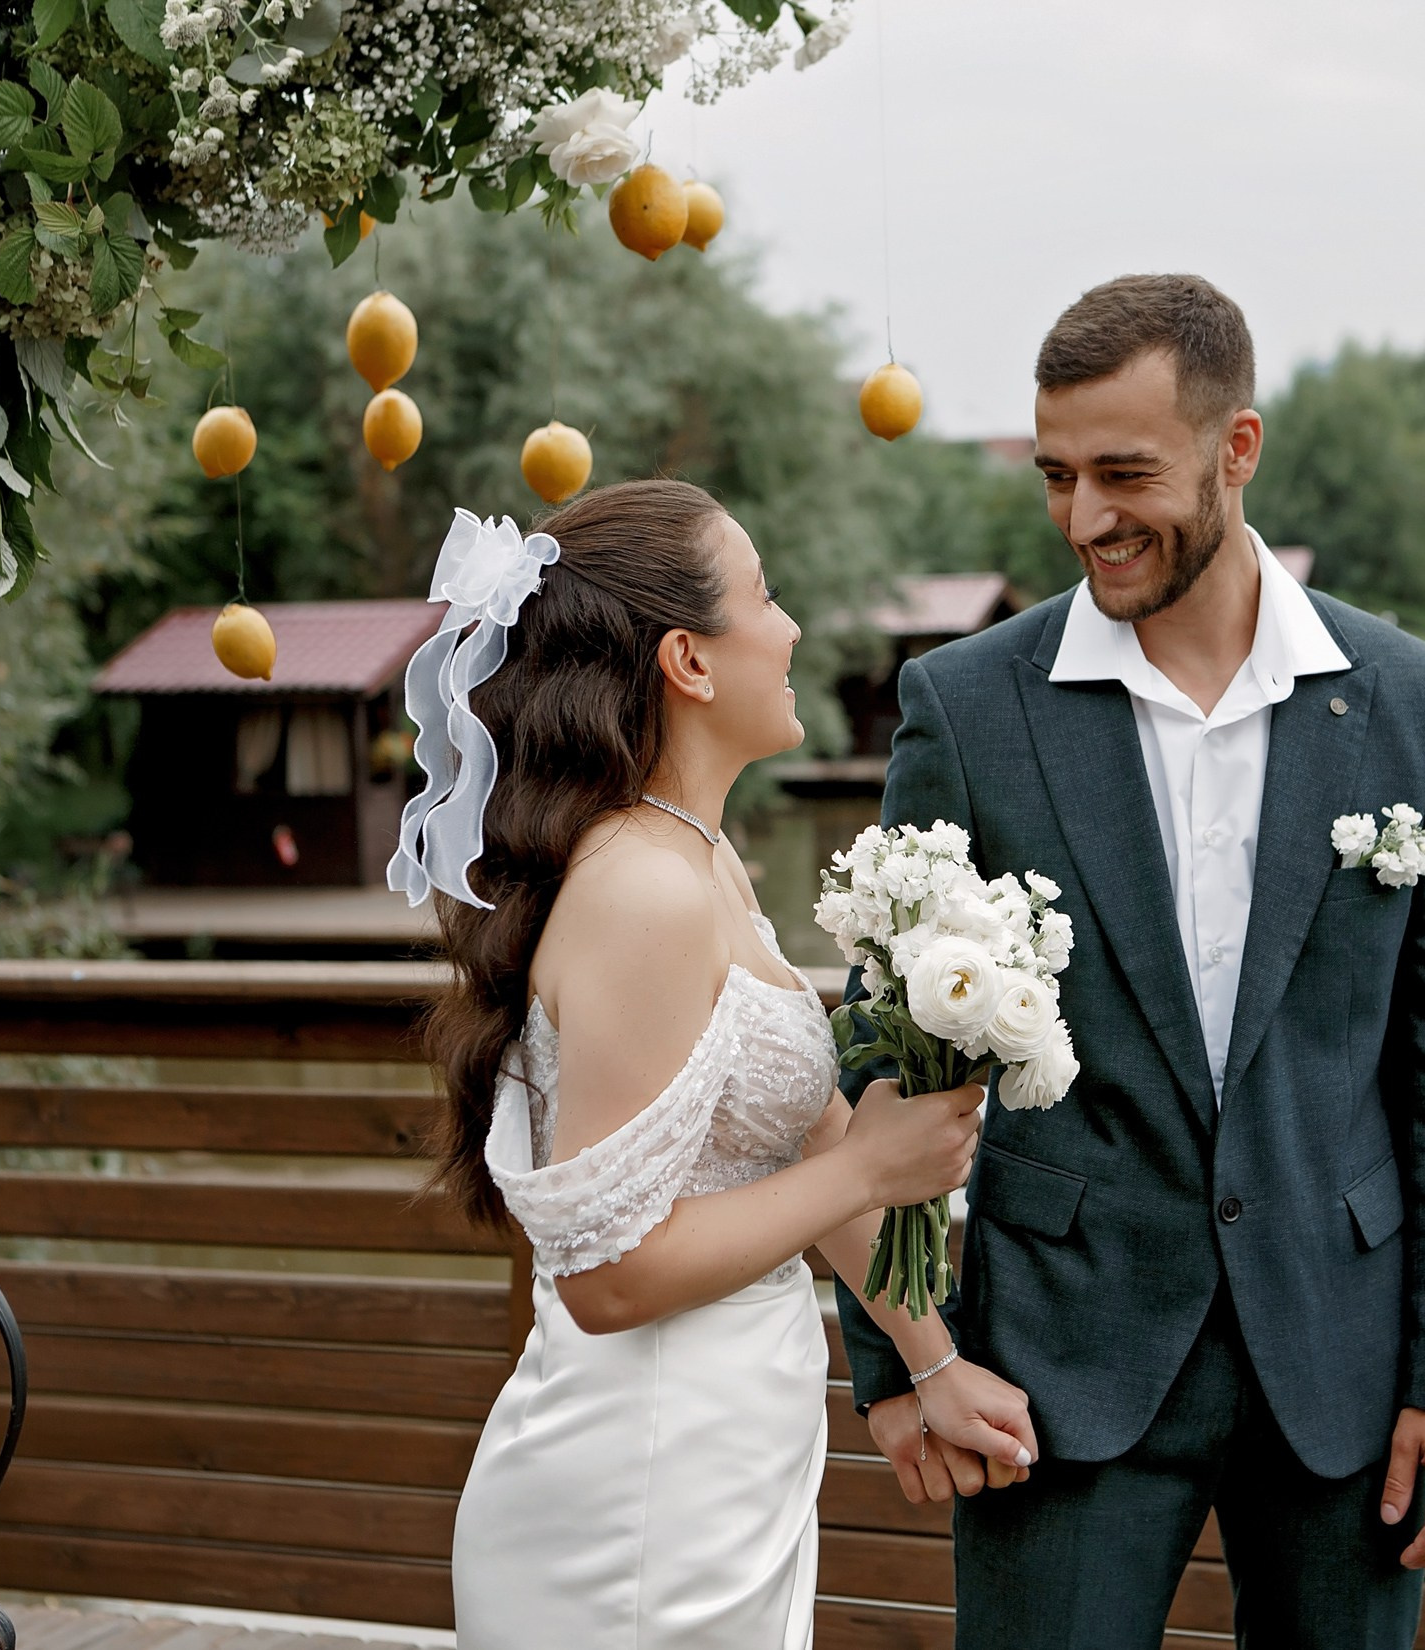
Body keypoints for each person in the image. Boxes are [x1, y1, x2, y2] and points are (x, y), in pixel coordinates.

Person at [834, 276, 1425, 1647]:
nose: (1085, 517)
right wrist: (895, 1365)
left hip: (1345, 1362)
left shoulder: (1410, 703)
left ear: (1236, 449)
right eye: (1056, 476)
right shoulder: (963, 710)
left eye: (1123, 472)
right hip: (1055, 1368)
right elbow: (881, 1053)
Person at [399, 480, 1041, 1650]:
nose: (792, 628)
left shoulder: (701, 860)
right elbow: (610, 1277)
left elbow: (804, 1145)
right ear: (690, 661)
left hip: (728, 1453)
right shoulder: (640, 889)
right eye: (767, 595)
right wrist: (871, 1173)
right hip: (640, 1482)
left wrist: (931, 1358)